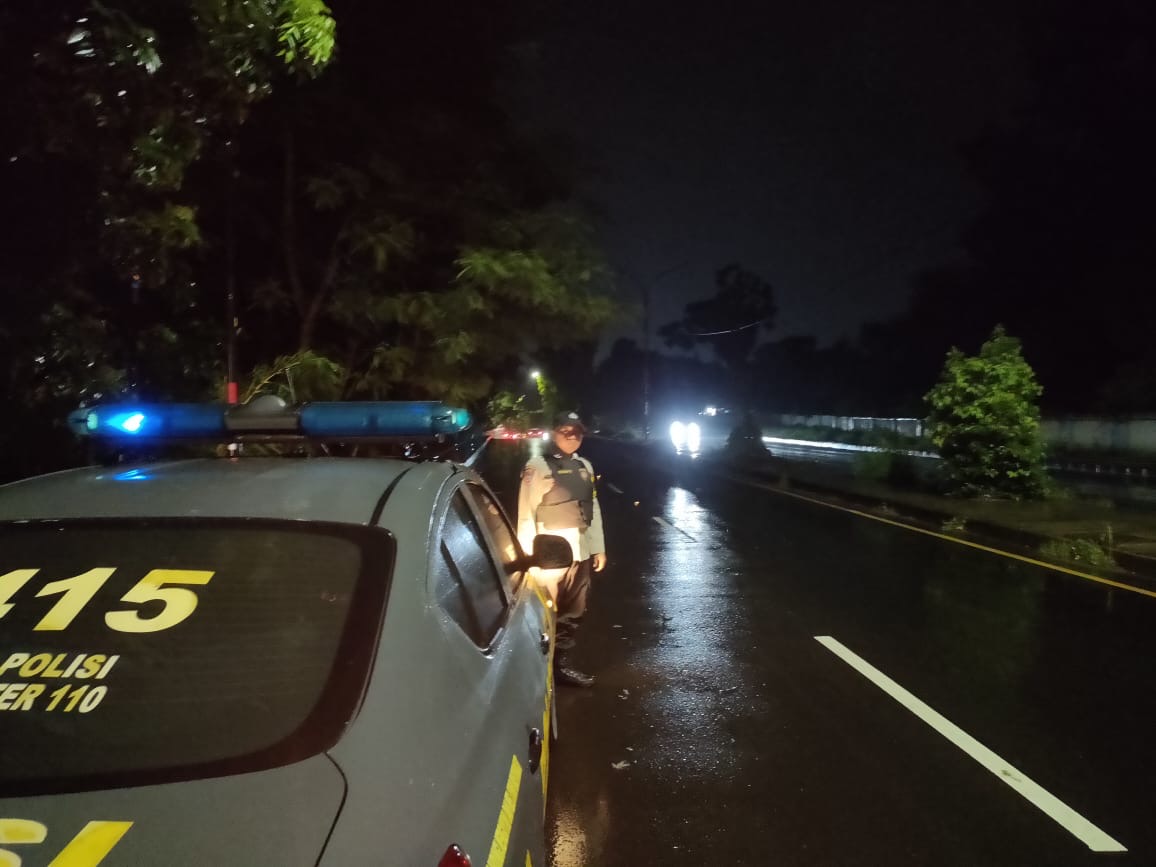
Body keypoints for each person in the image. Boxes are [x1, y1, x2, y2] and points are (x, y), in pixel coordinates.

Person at [517, 410, 607, 687]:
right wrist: (529, 557)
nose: (571, 436)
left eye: (576, 431)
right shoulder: (537, 467)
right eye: (565, 431)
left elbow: (592, 509)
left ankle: (560, 667)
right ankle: (536, 669)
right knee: (545, 612)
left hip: (580, 553)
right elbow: (526, 513)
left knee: (574, 612)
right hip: (550, 556)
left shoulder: (585, 466)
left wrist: (598, 548)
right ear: (555, 433)